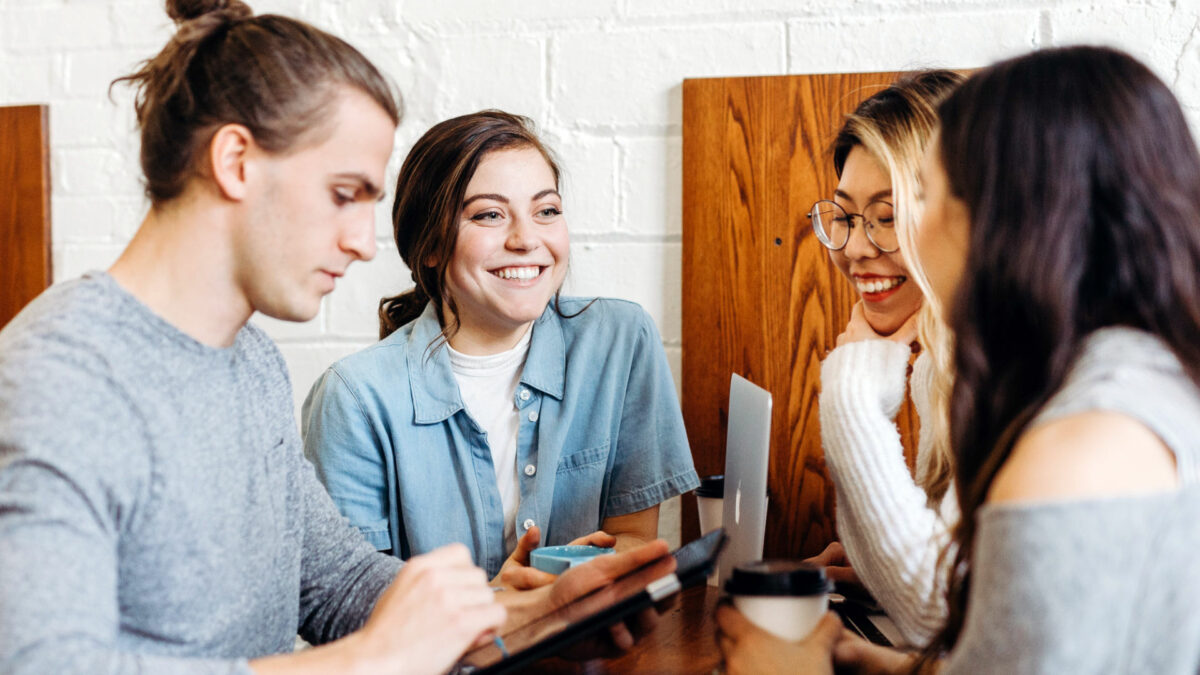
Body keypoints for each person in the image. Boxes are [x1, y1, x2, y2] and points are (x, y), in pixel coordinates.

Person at [0, 3, 671, 673]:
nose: (358, 241)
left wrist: (527, 617)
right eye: (343, 193)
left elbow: (336, 582)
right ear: (235, 160)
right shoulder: (61, 376)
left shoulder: (249, 360)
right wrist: (370, 659)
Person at [718, 45, 1200, 674]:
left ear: (1012, 215)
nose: (880, 240)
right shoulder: (1132, 378)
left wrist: (789, 671)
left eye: (923, 197)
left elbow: (952, 616)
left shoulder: (1077, 445)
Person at [302, 110, 700, 586]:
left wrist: (580, 575)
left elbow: (634, 537)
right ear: (429, 246)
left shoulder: (620, 341)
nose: (526, 239)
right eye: (489, 215)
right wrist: (501, 606)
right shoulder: (353, 398)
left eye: (546, 211)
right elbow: (351, 601)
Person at [806, 70, 963, 646]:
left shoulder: (1013, 369)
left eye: (888, 216)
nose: (854, 248)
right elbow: (955, 599)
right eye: (844, 216)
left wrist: (850, 394)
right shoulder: (942, 365)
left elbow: (938, 616)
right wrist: (877, 569)